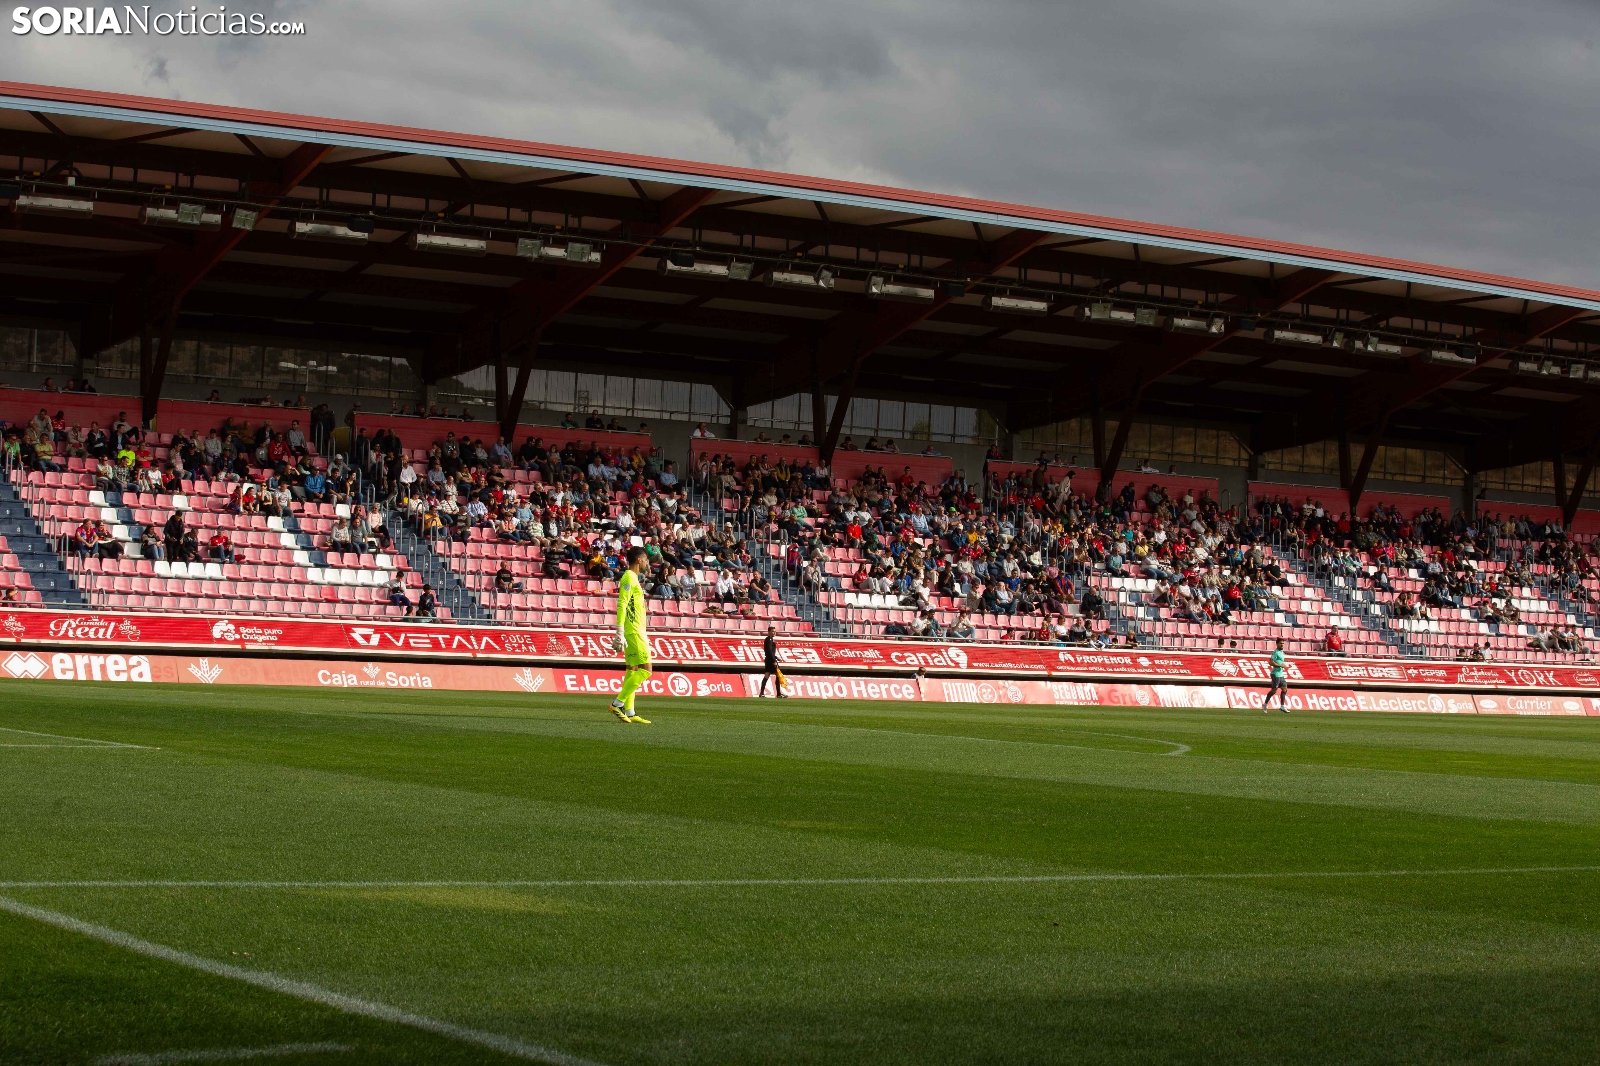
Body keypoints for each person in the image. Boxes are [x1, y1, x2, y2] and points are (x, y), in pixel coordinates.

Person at [608, 545, 653, 724]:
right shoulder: (628, 577)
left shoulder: (633, 578)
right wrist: (619, 631)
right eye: (646, 560)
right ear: (639, 560)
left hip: (636, 629)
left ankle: (630, 711)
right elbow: (622, 603)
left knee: (632, 670)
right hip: (633, 630)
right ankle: (617, 704)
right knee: (646, 670)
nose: (647, 563)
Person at [758, 624, 787, 698]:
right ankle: (778, 694)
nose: (774, 633)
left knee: (767, 676)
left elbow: (770, 652)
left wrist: (776, 657)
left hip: (768, 659)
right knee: (777, 675)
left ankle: (762, 693)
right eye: (773, 631)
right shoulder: (769, 639)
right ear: (769, 632)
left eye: (775, 631)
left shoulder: (769, 639)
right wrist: (774, 661)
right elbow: (769, 651)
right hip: (770, 660)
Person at [1265, 638, 1290, 713]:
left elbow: (1279, 662)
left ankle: (1282, 706)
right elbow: (1271, 662)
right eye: (1280, 643)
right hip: (1275, 674)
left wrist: (1282, 665)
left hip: (1280, 674)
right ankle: (1265, 704)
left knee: (1284, 689)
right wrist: (1280, 665)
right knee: (1274, 691)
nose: (1282, 645)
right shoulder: (1275, 652)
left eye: (1283, 643)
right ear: (1277, 644)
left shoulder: (1282, 652)